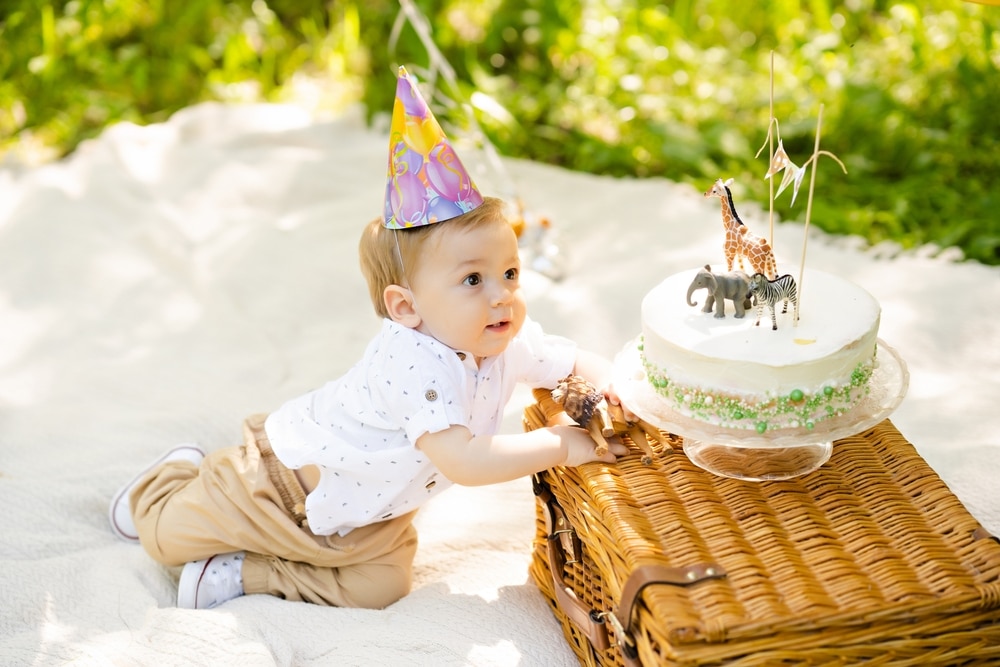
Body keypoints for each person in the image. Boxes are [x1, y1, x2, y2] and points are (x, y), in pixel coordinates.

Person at [108, 67, 627, 610]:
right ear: (406, 307)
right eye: (473, 280)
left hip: (368, 512)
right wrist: (563, 445)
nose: (502, 296)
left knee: (382, 588)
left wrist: (612, 385)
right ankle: (168, 479)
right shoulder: (414, 363)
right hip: (282, 488)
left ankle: (245, 574)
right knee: (163, 539)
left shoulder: (498, 334)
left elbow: (566, 358)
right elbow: (466, 462)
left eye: (510, 274)